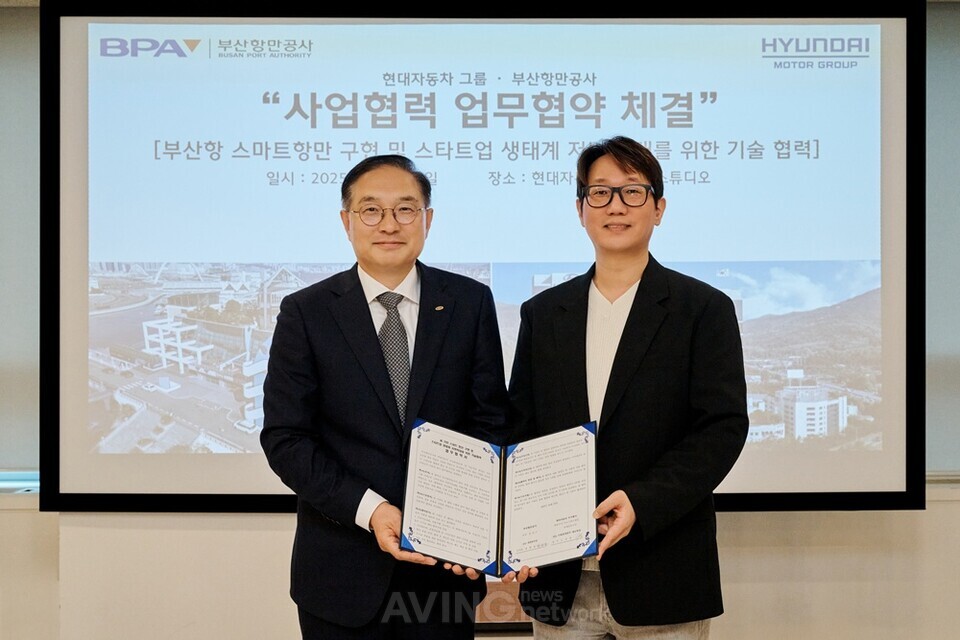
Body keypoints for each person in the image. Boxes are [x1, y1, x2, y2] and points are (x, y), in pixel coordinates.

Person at [505, 135, 748, 639]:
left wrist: (641, 501)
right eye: (600, 192)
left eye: (633, 192)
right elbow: (522, 432)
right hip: (558, 576)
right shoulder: (543, 314)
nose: (615, 206)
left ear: (659, 208)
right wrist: (513, 531)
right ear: (580, 209)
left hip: (664, 566)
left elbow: (721, 429)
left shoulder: (703, 309)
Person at [260, 154, 509, 639]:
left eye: (406, 209)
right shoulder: (306, 312)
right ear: (346, 221)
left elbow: (490, 424)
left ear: (427, 219)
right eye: (371, 210)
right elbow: (286, 439)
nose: (389, 224)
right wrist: (371, 509)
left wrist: (468, 520)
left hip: (443, 570)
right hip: (340, 574)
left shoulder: (469, 302)